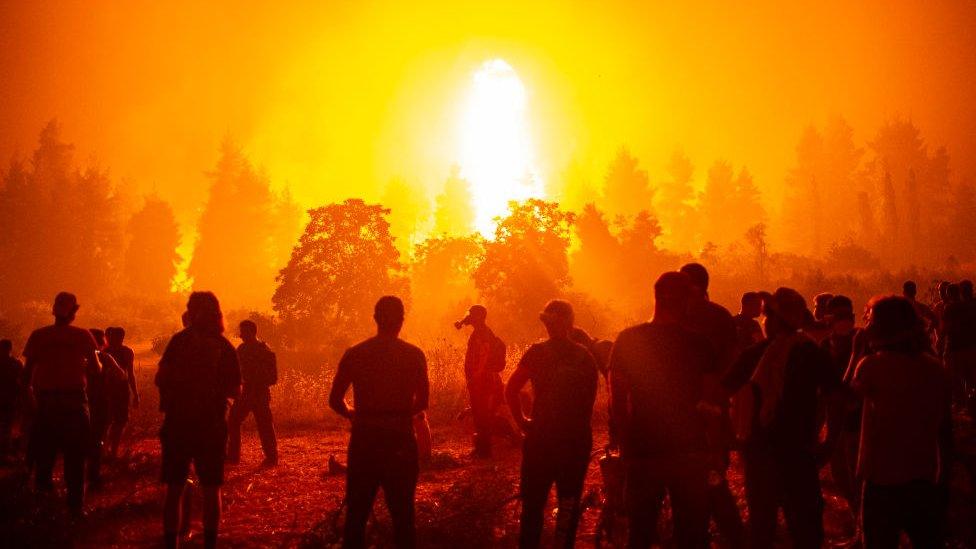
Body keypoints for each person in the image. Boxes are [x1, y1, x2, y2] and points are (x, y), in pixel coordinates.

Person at [719, 287, 844, 549]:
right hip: (799, 452)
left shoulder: (754, 355)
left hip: (759, 452)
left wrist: (731, 437)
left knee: (762, 528)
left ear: (774, 320)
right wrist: (829, 443)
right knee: (806, 529)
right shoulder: (812, 353)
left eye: (766, 317)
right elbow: (838, 397)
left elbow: (721, 393)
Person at [610, 271, 717, 548]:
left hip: (644, 450)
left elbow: (618, 401)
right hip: (690, 450)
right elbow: (710, 401)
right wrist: (713, 448)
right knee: (691, 534)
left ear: (657, 298)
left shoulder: (628, 340)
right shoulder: (699, 344)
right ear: (684, 302)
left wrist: (624, 446)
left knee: (641, 532)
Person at [852, 296, 952, 548]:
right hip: (923, 476)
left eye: (871, 319)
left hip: (882, 480)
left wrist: (855, 354)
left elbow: (844, 401)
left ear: (884, 326)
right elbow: (944, 427)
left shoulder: (871, 367)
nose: (866, 325)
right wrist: (944, 476)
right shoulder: (934, 367)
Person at [329, 296, 429, 549]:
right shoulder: (414, 355)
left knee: (357, 515)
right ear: (401, 321)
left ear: (375, 319)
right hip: (400, 441)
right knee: (404, 516)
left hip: (365, 441)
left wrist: (354, 414)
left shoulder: (356, 354)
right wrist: (399, 414)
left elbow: (335, 400)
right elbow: (422, 401)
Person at [506, 300, 598, 549]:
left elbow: (511, 389)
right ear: (571, 324)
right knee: (568, 506)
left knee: (533, 506)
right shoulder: (584, 357)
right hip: (574, 440)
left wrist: (523, 422)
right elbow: (589, 402)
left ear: (547, 324)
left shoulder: (536, 353)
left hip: (541, 439)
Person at [156, 292, 241, 549]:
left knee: (174, 488)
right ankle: (210, 544)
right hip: (211, 425)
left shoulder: (179, 342)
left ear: (192, 312)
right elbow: (235, 390)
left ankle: (172, 543)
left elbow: (161, 379)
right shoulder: (223, 346)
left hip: (179, 423)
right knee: (212, 488)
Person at [679, 263, 744, 548]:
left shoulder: (691, 316)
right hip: (710, 410)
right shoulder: (718, 316)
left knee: (704, 479)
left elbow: (731, 360)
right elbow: (734, 363)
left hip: (697, 412)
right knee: (710, 478)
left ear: (695, 286)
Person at [22, 292, 100, 515]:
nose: (61, 307)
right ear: (74, 312)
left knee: (62, 457)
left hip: (62, 402)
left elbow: (27, 376)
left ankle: (63, 507)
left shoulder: (43, 335)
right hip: (61, 402)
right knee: (55, 457)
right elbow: (96, 369)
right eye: (60, 303)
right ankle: (62, 508)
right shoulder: (78, 336)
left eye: (62, 304)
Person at [820, 295, 861, 528]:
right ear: (829, 319)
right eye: (839, 317)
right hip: (835, 419)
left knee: (859, 472)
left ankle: (863, 524)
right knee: (839, 473)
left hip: (859, 419)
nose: (844, 321)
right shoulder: (825, 346)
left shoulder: (864, 343)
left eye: (847, 316)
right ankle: (858, 518)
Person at [456, 305, 507, 458]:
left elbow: (483, 357)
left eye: (472, 314)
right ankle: (482, 449)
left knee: (482, 415)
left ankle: (484, 451)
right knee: (481, 414)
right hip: (482, 380)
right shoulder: (481, 332)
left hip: (482, 381)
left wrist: (475, 378)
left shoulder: (482, 334)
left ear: (479, 316)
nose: (469, 316)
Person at [227, 320, 278, 467]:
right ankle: (234, 456)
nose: (241, 335)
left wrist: (255, 379)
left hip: (258, 393)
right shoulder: (242, 350)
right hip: (247, 393)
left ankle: (272, 458)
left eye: (243, 332)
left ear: (252, 332)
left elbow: (273, 377)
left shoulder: (264, 351)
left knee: (264, 425)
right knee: (234, 421)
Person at [86, 328, 124, 489]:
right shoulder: (105, 357)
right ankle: (93, 476)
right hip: (100, 401)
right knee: (98, 438)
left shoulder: (76, 358)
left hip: (80, 401)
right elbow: (121, 375)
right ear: (101, 342)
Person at [104, 327, 139, 460]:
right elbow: (130, 373)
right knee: (111, 421)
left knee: (119, 421)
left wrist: (135, 393)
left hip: (120, 390)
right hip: (109, 390)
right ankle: (108, 451)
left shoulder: (126, 352)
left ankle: (111, 451)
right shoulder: (104, 352)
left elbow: (130, 374)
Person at [0, 339, 24, 463]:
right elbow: (23, 382)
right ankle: (5, 454)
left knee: (6, 426)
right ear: (10, 348)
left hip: (7, 399)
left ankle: (4, 453)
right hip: (10, 398)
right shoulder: (16, 364)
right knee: (7, 427)